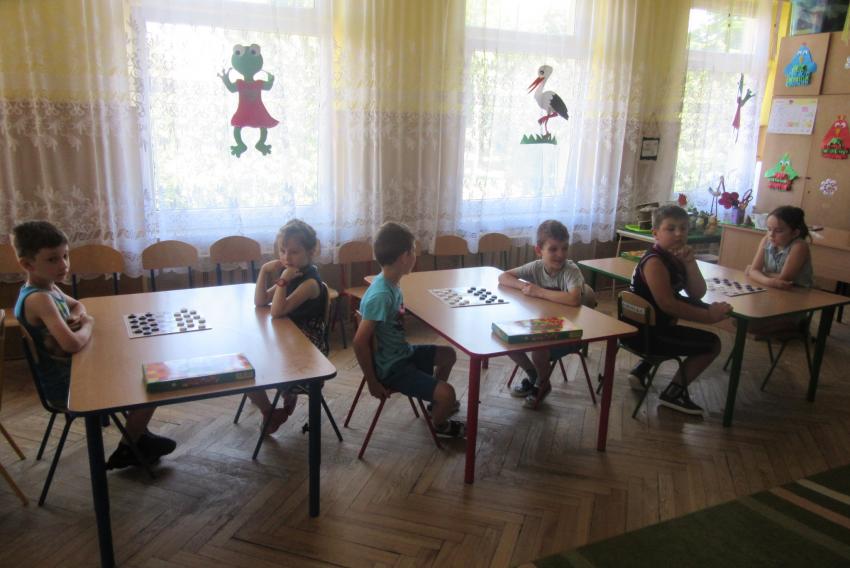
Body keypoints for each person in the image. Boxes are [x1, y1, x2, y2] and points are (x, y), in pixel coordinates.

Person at [12, 221, 176, 469]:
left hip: (77, 371)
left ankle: (138, 436)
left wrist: (76, 316)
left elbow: (78, 304)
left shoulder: (48, 288)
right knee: (155, 382)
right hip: (69, 386)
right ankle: (128, 448)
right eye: (53, 259)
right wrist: (87, 323)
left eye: (65, 256)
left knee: (137, 364)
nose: (64, 265)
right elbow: (72, 344)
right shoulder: (39, 299)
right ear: (27, 264)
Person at [353, 222, 465, 438]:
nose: (415, 256)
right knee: (448, 394)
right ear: (404, 257)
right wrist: (373, 382)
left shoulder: (390, 283)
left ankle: (435, 404)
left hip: (401, 353)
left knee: (448, 355)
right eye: (413, 251)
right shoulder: (381, 295)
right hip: (392, 368)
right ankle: (440, 425)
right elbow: (359, 343)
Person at [626, 205, 732, 415]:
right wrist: (708, 317)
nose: (678, 234)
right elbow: (669, 305)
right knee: (713, 344)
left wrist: (690, 263)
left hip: (648, 329)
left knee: (676, 323)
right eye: (671, 229)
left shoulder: (675, 257)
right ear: (655, 233)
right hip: (644, 335)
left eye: (683, 228)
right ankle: (673, 394)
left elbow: (697, 293)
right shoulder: (655, 262)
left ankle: (641, 369)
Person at [497, 219, 596, 409]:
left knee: (539, 349)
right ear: (539, 250)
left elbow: (574, 299)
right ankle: (534, 375)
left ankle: (543, 384)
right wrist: (525, 286)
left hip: (571, 333)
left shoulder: (570, 270)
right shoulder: (536, 267)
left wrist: (539, 292)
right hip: (545, 326)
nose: (560, 254)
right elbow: (503, 277)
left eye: (564, 248)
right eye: (553, 249)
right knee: (506, 337)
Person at [251, 219, 329, 433]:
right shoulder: (293, 273)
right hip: (288, 341)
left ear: (311, 251)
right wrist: (264, 271)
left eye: (294, 252)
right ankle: (271, 409)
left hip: (306, 353)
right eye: (282, 251)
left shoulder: (309, 283)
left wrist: (282, 281)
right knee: (245, 364)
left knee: (250, 371)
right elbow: (260, 301)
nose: (286, 257)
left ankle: (275, 405)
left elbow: (277, 311)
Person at [744, 205, 813, 335]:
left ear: (795, 233)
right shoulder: (766, 240)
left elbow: (783, 278)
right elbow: (754, 271)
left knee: (750, 325)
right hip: (771, 293)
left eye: (779, 231)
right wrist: (769, 280)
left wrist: (759, 273)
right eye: (769, 229)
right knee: (741, 319)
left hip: (795, 299)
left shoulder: (799, 246)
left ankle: (797, 326)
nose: (771, 235)